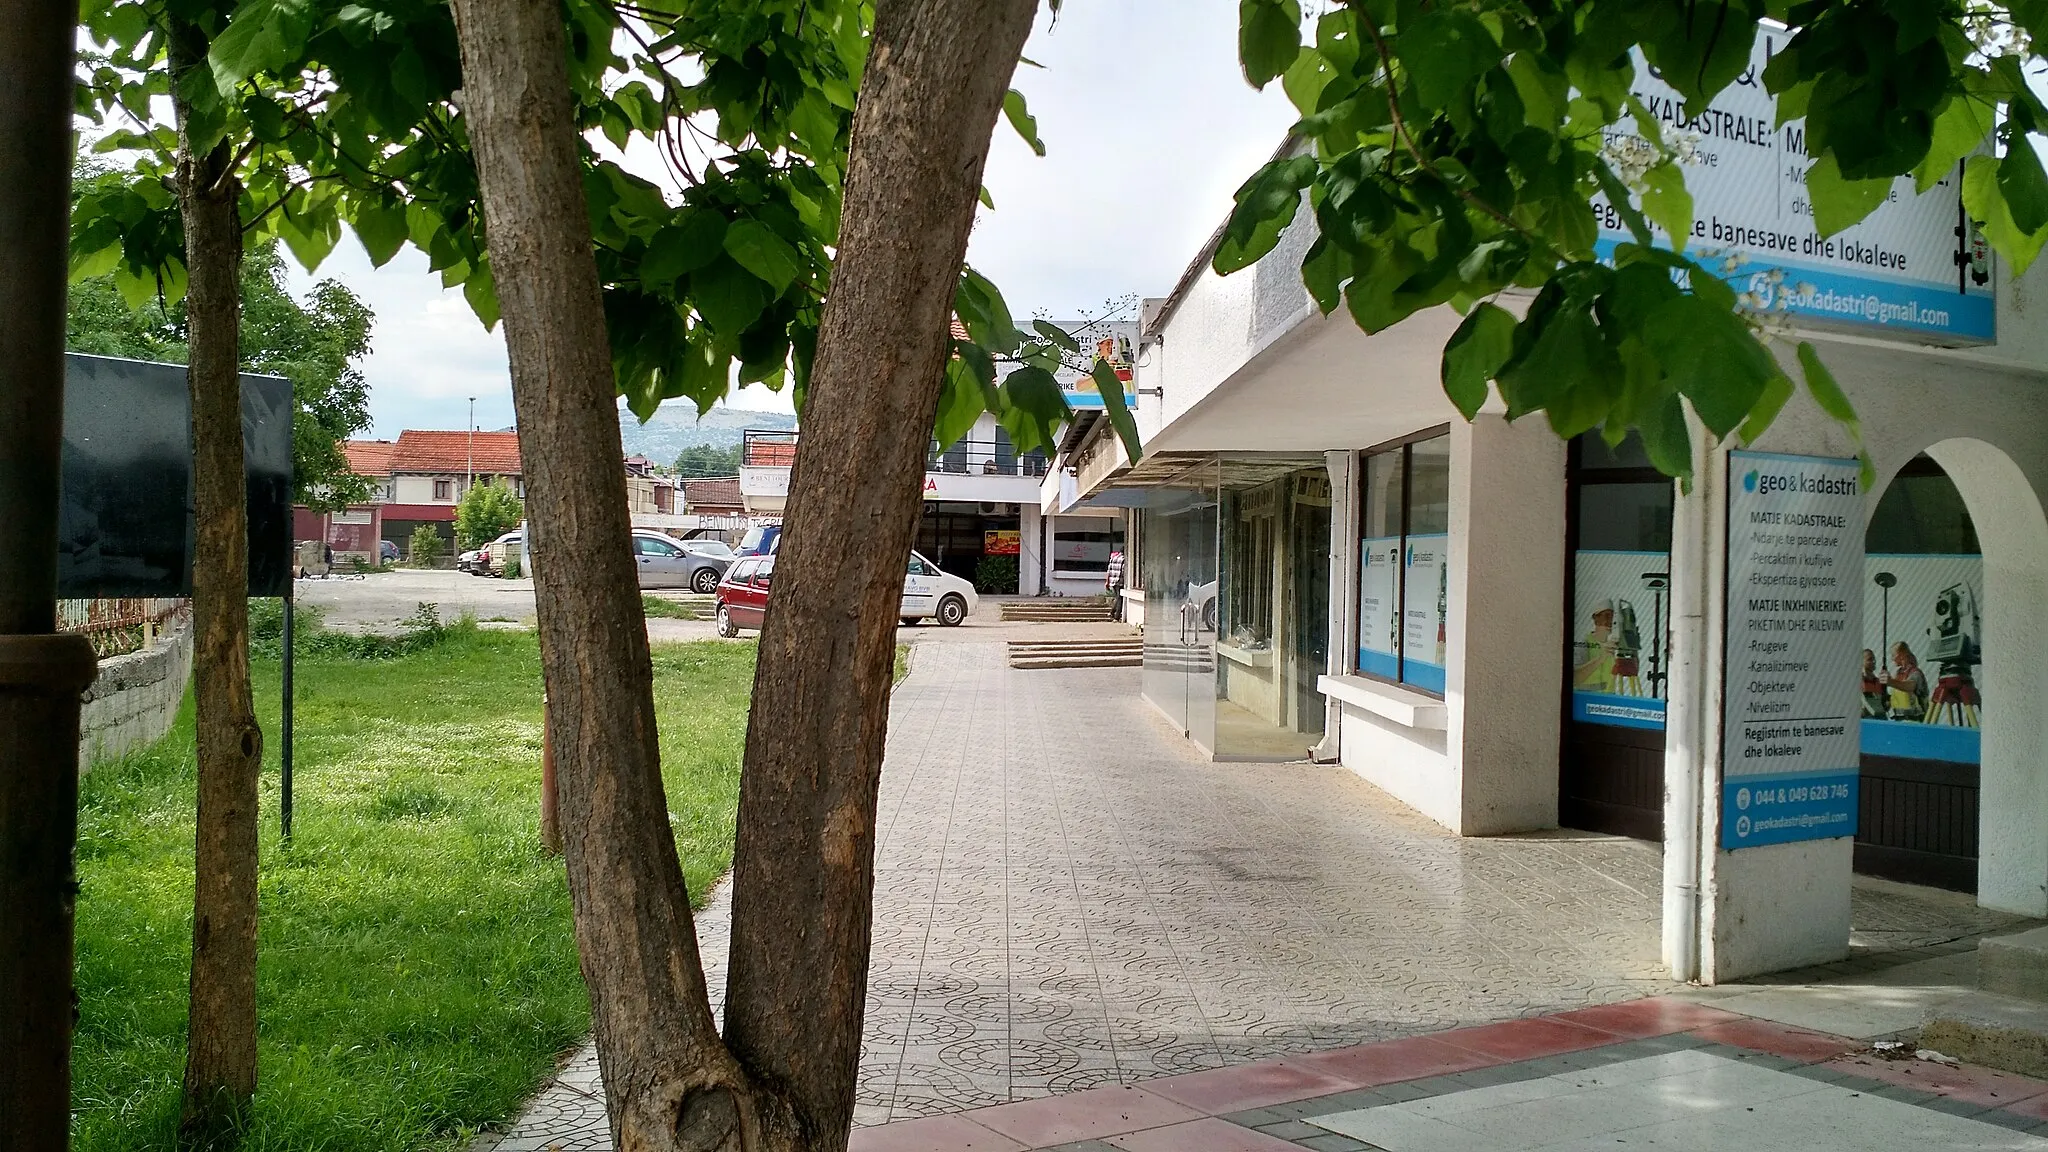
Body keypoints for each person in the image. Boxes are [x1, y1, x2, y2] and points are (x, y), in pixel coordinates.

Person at [1572, 600, 1617, 691]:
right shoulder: (1584, 643)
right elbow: (1574, 679)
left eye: (1612, 617)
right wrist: (1601, 658)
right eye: (1606, 616)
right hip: (1587, 700)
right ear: (1595, 618)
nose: (1610, 621)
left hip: (1608, 701)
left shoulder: (1615, 645)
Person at [1886, 642, 1929, 722]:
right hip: (1899, 721)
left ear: (1901, 655)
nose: (1892, 659)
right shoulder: (1898, 674)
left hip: (1915, 721)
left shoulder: (1916, 673)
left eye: (1893, 655)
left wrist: (1890, 682)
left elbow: (1910, 686)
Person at [1860, 649, 1888, 719]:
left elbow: (1885, 704)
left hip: (1880, 719)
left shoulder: (1879, 682)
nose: (1874, 661)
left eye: (1874, 659)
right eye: (1870, 659)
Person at [1104, 549, 1126, 622]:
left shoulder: (1114, 558)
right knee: (1120, 599)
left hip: (1113, 581)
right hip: (1120, 580)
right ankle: (1116, 616)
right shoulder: (1124, 559)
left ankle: (1112, 612)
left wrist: (1107, 581)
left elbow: (1109, 570)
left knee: (1117, 597)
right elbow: (1123, 571)